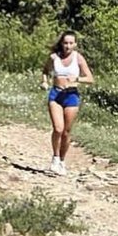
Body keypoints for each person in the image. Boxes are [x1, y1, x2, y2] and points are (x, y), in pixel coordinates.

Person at [40, 30, 93, 175]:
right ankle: (55, 158)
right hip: (56, 94)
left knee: (66, 131)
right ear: (61, 43)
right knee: (58, 128)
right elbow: (45, 71)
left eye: (71, 43)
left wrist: (76, 79)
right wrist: (44, 82)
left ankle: (62, 161)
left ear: (75, 44)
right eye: (65, 43)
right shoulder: (54, 57)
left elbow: (90, 78)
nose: (68, 46)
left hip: (71, 96)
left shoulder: (78, 58)